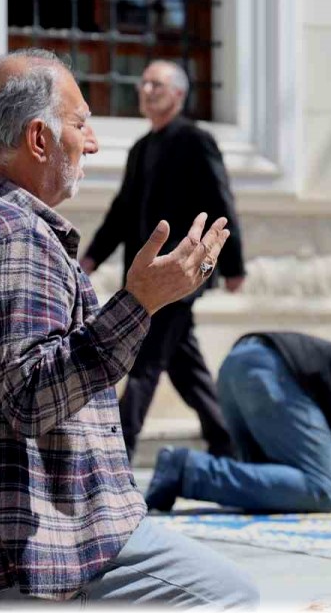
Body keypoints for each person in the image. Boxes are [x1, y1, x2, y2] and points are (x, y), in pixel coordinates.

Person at [0, 48, 258, 607]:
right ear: (39, 140)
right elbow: (32, 397)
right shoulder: (17, 235)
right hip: (12, 558)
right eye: (81, 123)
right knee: (228, 595)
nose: (91, 142)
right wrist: (139, 303)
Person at [81, 60, 246, 463]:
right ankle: (228, 444)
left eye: (156, 83)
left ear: (177, 94)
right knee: (187, 369)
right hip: (148, 277)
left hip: (181, 273)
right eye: (143, 83)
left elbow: (221, 200)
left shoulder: (196, 140)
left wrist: (233, 264)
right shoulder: (141, 148)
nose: (146, 89)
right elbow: (122, 211)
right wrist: (92, 256)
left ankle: (115, 457)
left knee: (143, 362)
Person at [144, 332, 331, 513]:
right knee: (325, 492)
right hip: (271, 373)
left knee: (267, 489)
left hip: (241, 368)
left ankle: (184, 472)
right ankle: (186, 470)